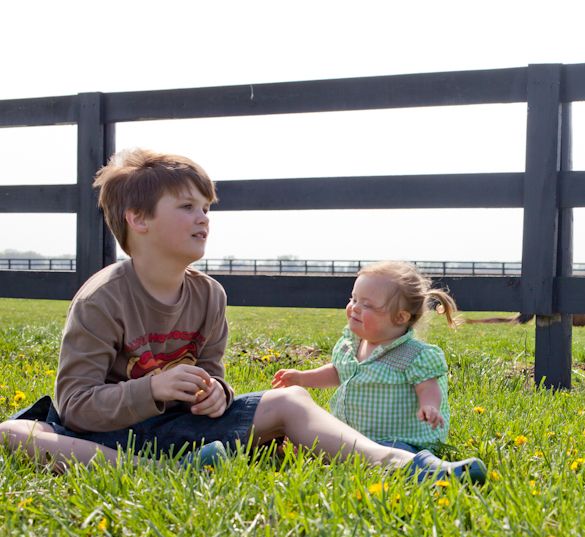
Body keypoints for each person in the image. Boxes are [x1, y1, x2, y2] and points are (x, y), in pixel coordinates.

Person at [0, 148, 485, 483]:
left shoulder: (209, 295)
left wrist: (216, 394)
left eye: (206, 207)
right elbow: (76, 403)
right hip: (109, 437)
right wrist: (150, 389)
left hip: (184, 430)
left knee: (292, 399)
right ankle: (163, 474)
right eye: (187, 206)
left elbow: (212, 374)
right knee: (17, 432)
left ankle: (401, 464)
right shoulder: (101, 299)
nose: (203, 218)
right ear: (138, 219)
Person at [272, 261, 458, 454]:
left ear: (400, 317)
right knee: (329, 442)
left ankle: (419, 464)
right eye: (353, 299)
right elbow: (337, 372)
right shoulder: (352, 344)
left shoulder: (413, 355)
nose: (355, 308)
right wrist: (302, 377)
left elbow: (428, 386)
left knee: (388, 453)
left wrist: (430, 406)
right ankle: (310, 448)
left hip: (399, 440)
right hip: (354, 435)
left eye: (366, 304)